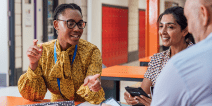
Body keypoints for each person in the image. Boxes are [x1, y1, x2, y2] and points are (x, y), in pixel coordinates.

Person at [18, 3, 105, 104]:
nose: (77, 29)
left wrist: (92, 87)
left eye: (80, 24)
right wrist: (33, 64)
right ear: (56, 25)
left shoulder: (91, 51)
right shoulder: (43, 51)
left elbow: (94, 87)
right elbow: (34, 95)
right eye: (71, 23)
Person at [124, 6, 195, 106]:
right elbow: (144, 93)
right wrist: (134, 98)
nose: (163, 32)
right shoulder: (157, 59)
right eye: (161, 26)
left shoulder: (197, 58)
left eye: (170, 27)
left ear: (184, 31)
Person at [151, 0, 212, 105]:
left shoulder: (181, 66)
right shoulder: (160, 59)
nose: (190, 29)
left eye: (189, 18)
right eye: (161, 26)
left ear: (204, 14)